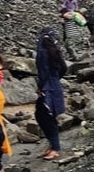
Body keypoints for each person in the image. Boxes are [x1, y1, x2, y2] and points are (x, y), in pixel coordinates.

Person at [35, 27, 67, 161]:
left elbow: (42, 73)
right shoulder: (55, 51)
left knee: (45, 118)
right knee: (47, 117)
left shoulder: (41, 52)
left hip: (47, 88)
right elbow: (64, 68)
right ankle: (53, 146)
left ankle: (55, 148)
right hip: (54, 86)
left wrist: (42, 86)